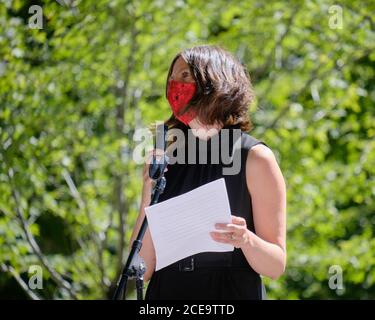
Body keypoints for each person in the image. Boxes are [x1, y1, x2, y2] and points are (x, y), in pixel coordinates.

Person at [129, 45, 286, 300]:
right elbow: (140, 268)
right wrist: (147, 197)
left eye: (184, 76)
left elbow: (276, 265)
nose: (174, 85)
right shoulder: (166, 159)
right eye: (171, 78)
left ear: (214, 81)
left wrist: (245, 239)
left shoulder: (256, 158)